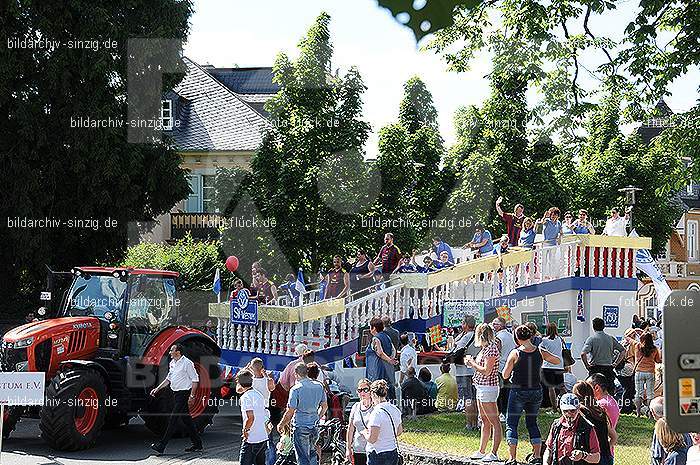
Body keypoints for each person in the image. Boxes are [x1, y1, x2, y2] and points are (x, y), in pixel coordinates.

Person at [502, 325, 562, 465]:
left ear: (517, 338)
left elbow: (505, 375)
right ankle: (536, 456)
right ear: (531, 336)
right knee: (532, 423)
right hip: (536, 390)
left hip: (518, 391)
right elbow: (557, 360)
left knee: (512, 424)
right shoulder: (539, 351)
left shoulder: (515, 353)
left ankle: (512, 458)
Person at [149, 344, 203, 454]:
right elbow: (168, 378)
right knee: (187, 420)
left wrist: (192, 396)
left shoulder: (187, 363)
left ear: (178, 352)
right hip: (176, 394)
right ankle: (198, 444)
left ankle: (162, 445)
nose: (169, 352)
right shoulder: (172, 363)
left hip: (184, 393)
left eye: (171, 350)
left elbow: (195, 379)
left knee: (173, 419)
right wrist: (157, 389)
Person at [277, 363, 328, 465]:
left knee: (302, 457)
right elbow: (325, 406)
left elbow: (290, 411)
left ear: (296, 374)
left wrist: (281, 424)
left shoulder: (296, 389)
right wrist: (317, 417)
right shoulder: (319, 386)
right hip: (314, 425)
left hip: (300, 425)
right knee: (312, 453)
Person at [466, 323, 502, 462]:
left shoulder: (491, 349)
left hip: (488, 387)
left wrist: (472, 363)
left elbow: (487, 371)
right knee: (485, 420)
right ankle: (482, 451)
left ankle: (493, 453)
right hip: (482, 387)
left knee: (494, 421)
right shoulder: (486, 348)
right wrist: (473, 362)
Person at [542, 393, 602, 465]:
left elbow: (597, 458)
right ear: (561, 409)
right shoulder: (556, 425)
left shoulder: (588, 428)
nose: (569, 414)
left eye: (572, 410)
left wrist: (583, 455)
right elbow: (549, 449)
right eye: (565, 411)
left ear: (578, 409)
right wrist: (545, 463)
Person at [573, 381, 616, 465]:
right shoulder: (600, 412)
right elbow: (614, 437)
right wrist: (605, 448)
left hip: (591, 457)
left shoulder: (579, 412)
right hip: (606, 457)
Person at [362, 379, 403, 465]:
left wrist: (365, 433)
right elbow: (399, 432)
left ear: (373, 394)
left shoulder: (376, 413)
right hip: (392, 451)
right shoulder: (395, 409)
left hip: (377, 453)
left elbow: (372, 439)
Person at [580, 317, 625, 394]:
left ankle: (595, 405)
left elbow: (583, 353)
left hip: (595, 369)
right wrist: (615, 363)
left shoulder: (591, 339)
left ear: (593, 327)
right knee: (608, 392)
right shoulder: (610, 338)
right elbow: (623, 350)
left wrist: (587, 365)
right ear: (603, 326)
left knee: (594, 391)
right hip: (608, 369)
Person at [247, 358, 277, 465]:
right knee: (269, 440)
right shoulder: (268, 381)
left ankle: (254, 461)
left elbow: (239, 389)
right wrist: (266, 375)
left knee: (252, 439)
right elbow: (272, 388)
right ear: (262, 367)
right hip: (264, 413)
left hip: (252, 412)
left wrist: (247, 370)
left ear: (251, 367)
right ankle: (270, 462)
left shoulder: (249, 382)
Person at [452, 314, 480, 429]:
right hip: (474, 369)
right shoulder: (477, 336)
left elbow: (456, 348)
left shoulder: (466, 337)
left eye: (463, 323)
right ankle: (477, 423)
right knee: (474, 397)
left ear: (466, 325)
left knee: (467, 398)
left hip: (463, 371)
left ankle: (469, 424)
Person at [237, 369, 269, 465]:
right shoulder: (258, 394)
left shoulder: (245, 397)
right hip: (262, 436)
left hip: (252, 438)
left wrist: (245, 431)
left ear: (240, 383)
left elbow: (250, 417)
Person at [365, 317, 398, 399]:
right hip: (388, 369)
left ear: (374, 328)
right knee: (388, 388)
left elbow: (379, 353)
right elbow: (393, 350)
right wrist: (391, 360)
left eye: (370, 327)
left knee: (378, 389)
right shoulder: (387, 336)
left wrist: (389, 360)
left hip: (377, 369)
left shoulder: (375, 339)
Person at [632, 332, 662, 416]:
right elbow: (658, 360)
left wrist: (639, 332)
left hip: (639, 372)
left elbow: (629, 338)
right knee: (650, 393)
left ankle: (638, 413)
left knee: (639, 393)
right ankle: (650, 414)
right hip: (650, 372)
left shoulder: (638, 346)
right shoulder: (654, 349)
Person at [493, 317, 517, 418]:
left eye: (495, 324)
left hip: (500, 366)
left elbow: (496, 352)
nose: (493, 326)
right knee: (507, 390)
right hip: (510, 365)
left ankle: (502, 412)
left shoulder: (498, 338)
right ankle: (507, 411)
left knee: (501, 391)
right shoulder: (511, 335)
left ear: (501, 325)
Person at [346, 378, 374, 465]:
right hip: (358, 449)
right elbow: (350, 429)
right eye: (359, 390)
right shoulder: (356, 407)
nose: (362, 393)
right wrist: (348, 448)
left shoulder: (376, 407)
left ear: (371, 391)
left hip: (372, 449)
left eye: (365, 390)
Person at [540, 322, 566, 412]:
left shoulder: (544, 340)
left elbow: (540, 351)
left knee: (551, 388)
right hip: (559, 366)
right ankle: (568, 403)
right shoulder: (560, 339)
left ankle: (554, 409)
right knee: (561, 387)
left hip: (548, 366)